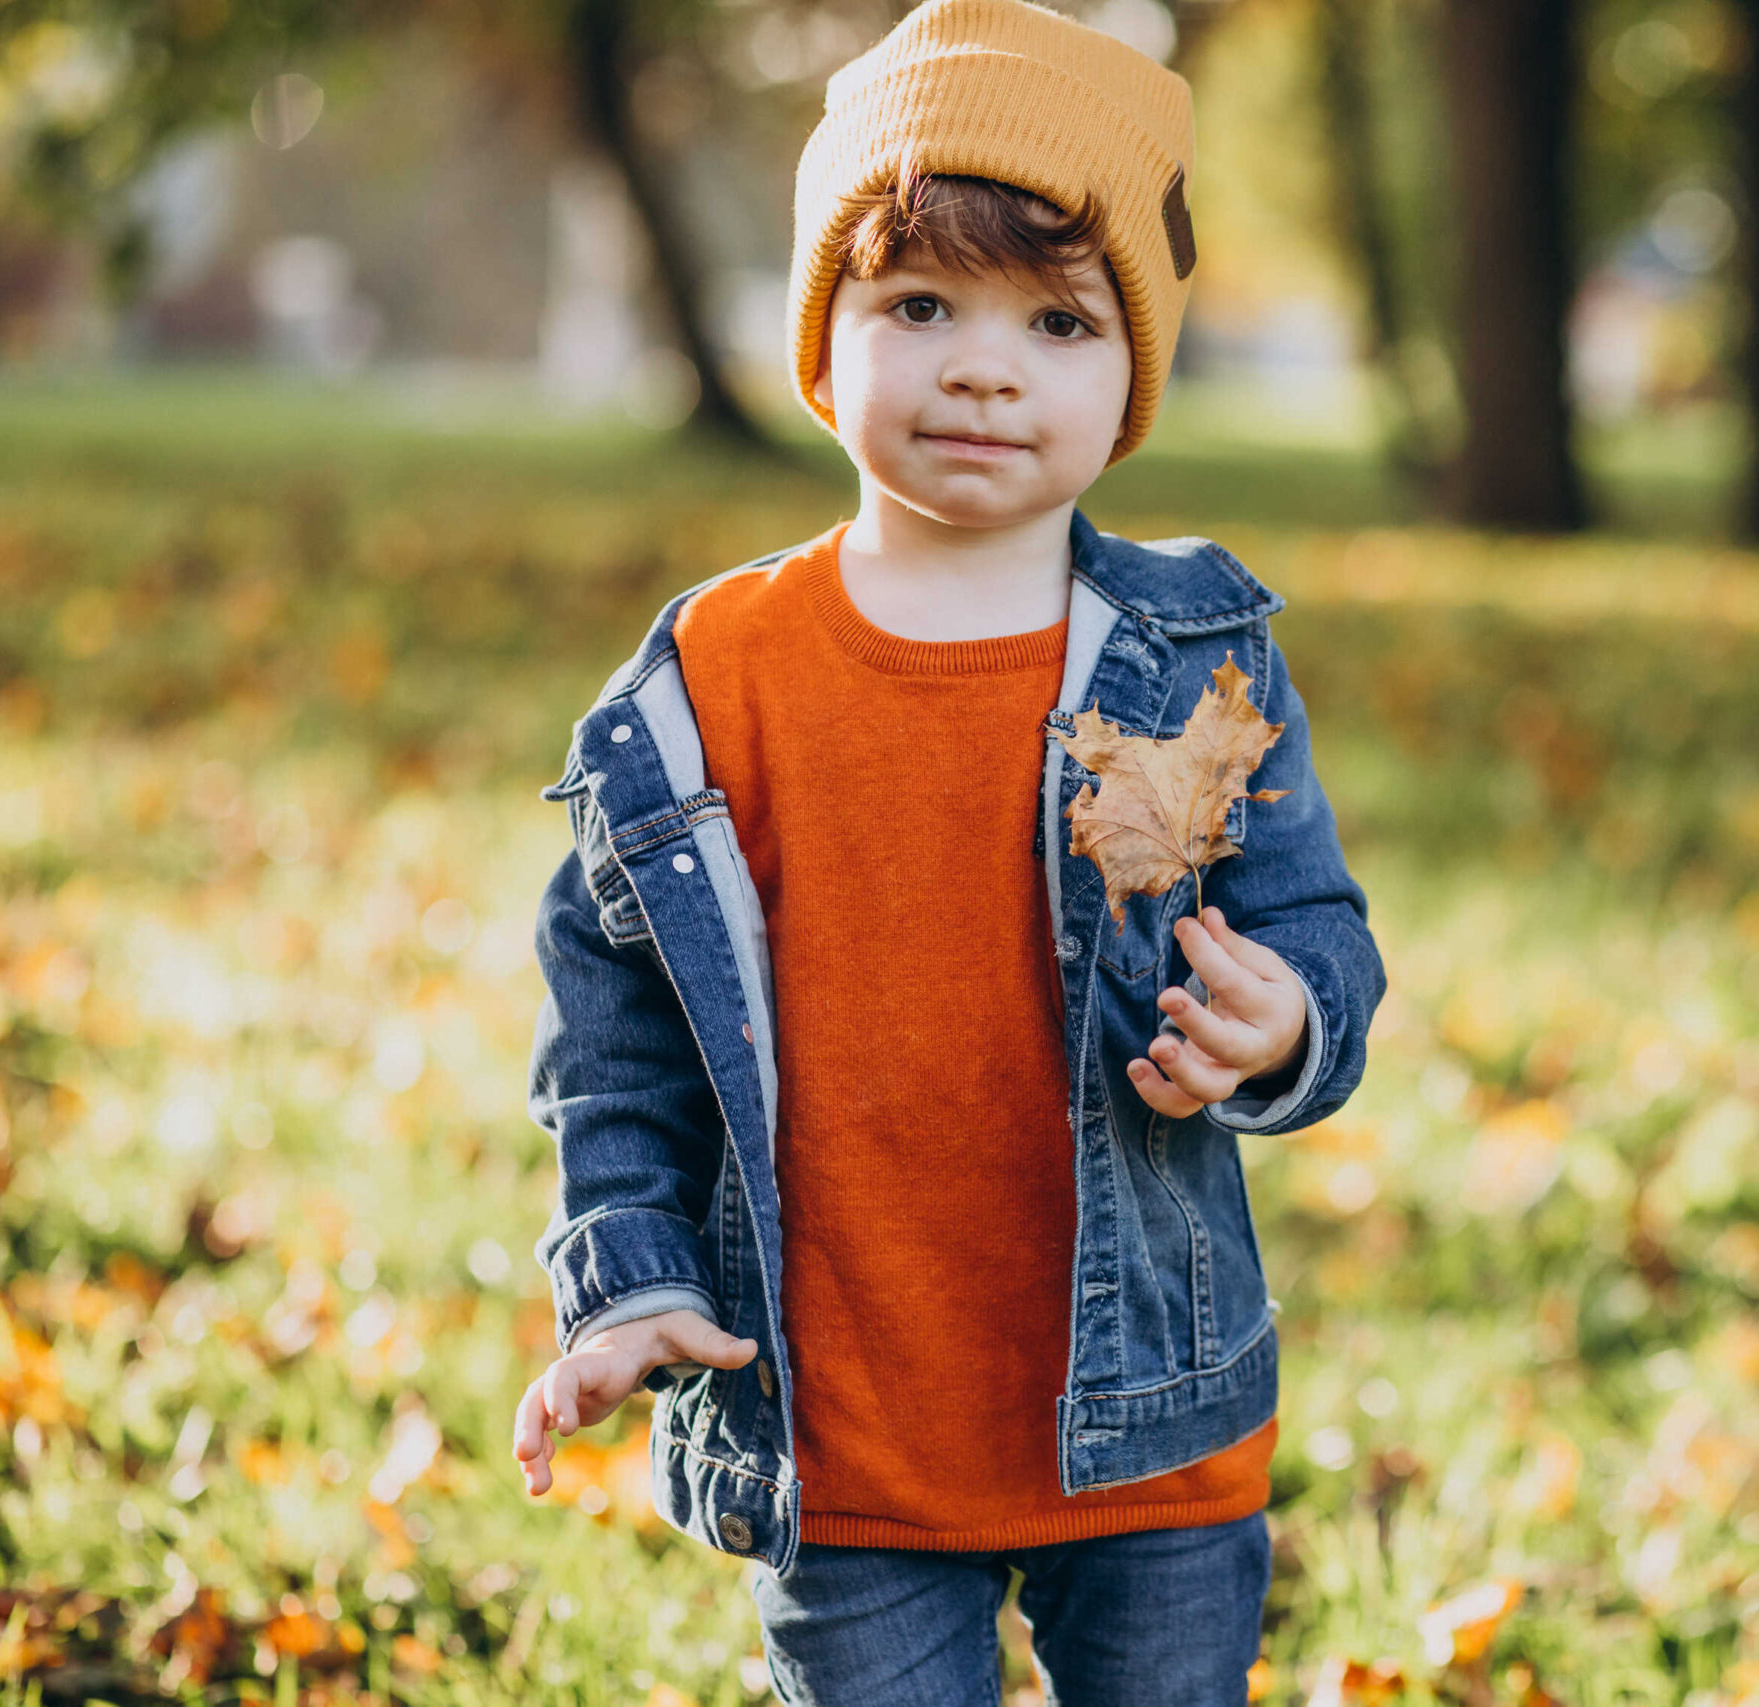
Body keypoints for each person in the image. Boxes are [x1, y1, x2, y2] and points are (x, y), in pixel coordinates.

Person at [504, 1, 1387, 1701]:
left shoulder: (1191, 656)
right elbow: (610, 1034)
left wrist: (1284, 1021)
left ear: (1135, 373)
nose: (986, 365)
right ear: (821, 335)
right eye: (920, 304)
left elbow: (1316, 926)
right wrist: (625, 1277)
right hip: (844, 1444)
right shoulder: (713, 682)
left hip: (1148, 1426)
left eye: (1060, 320)